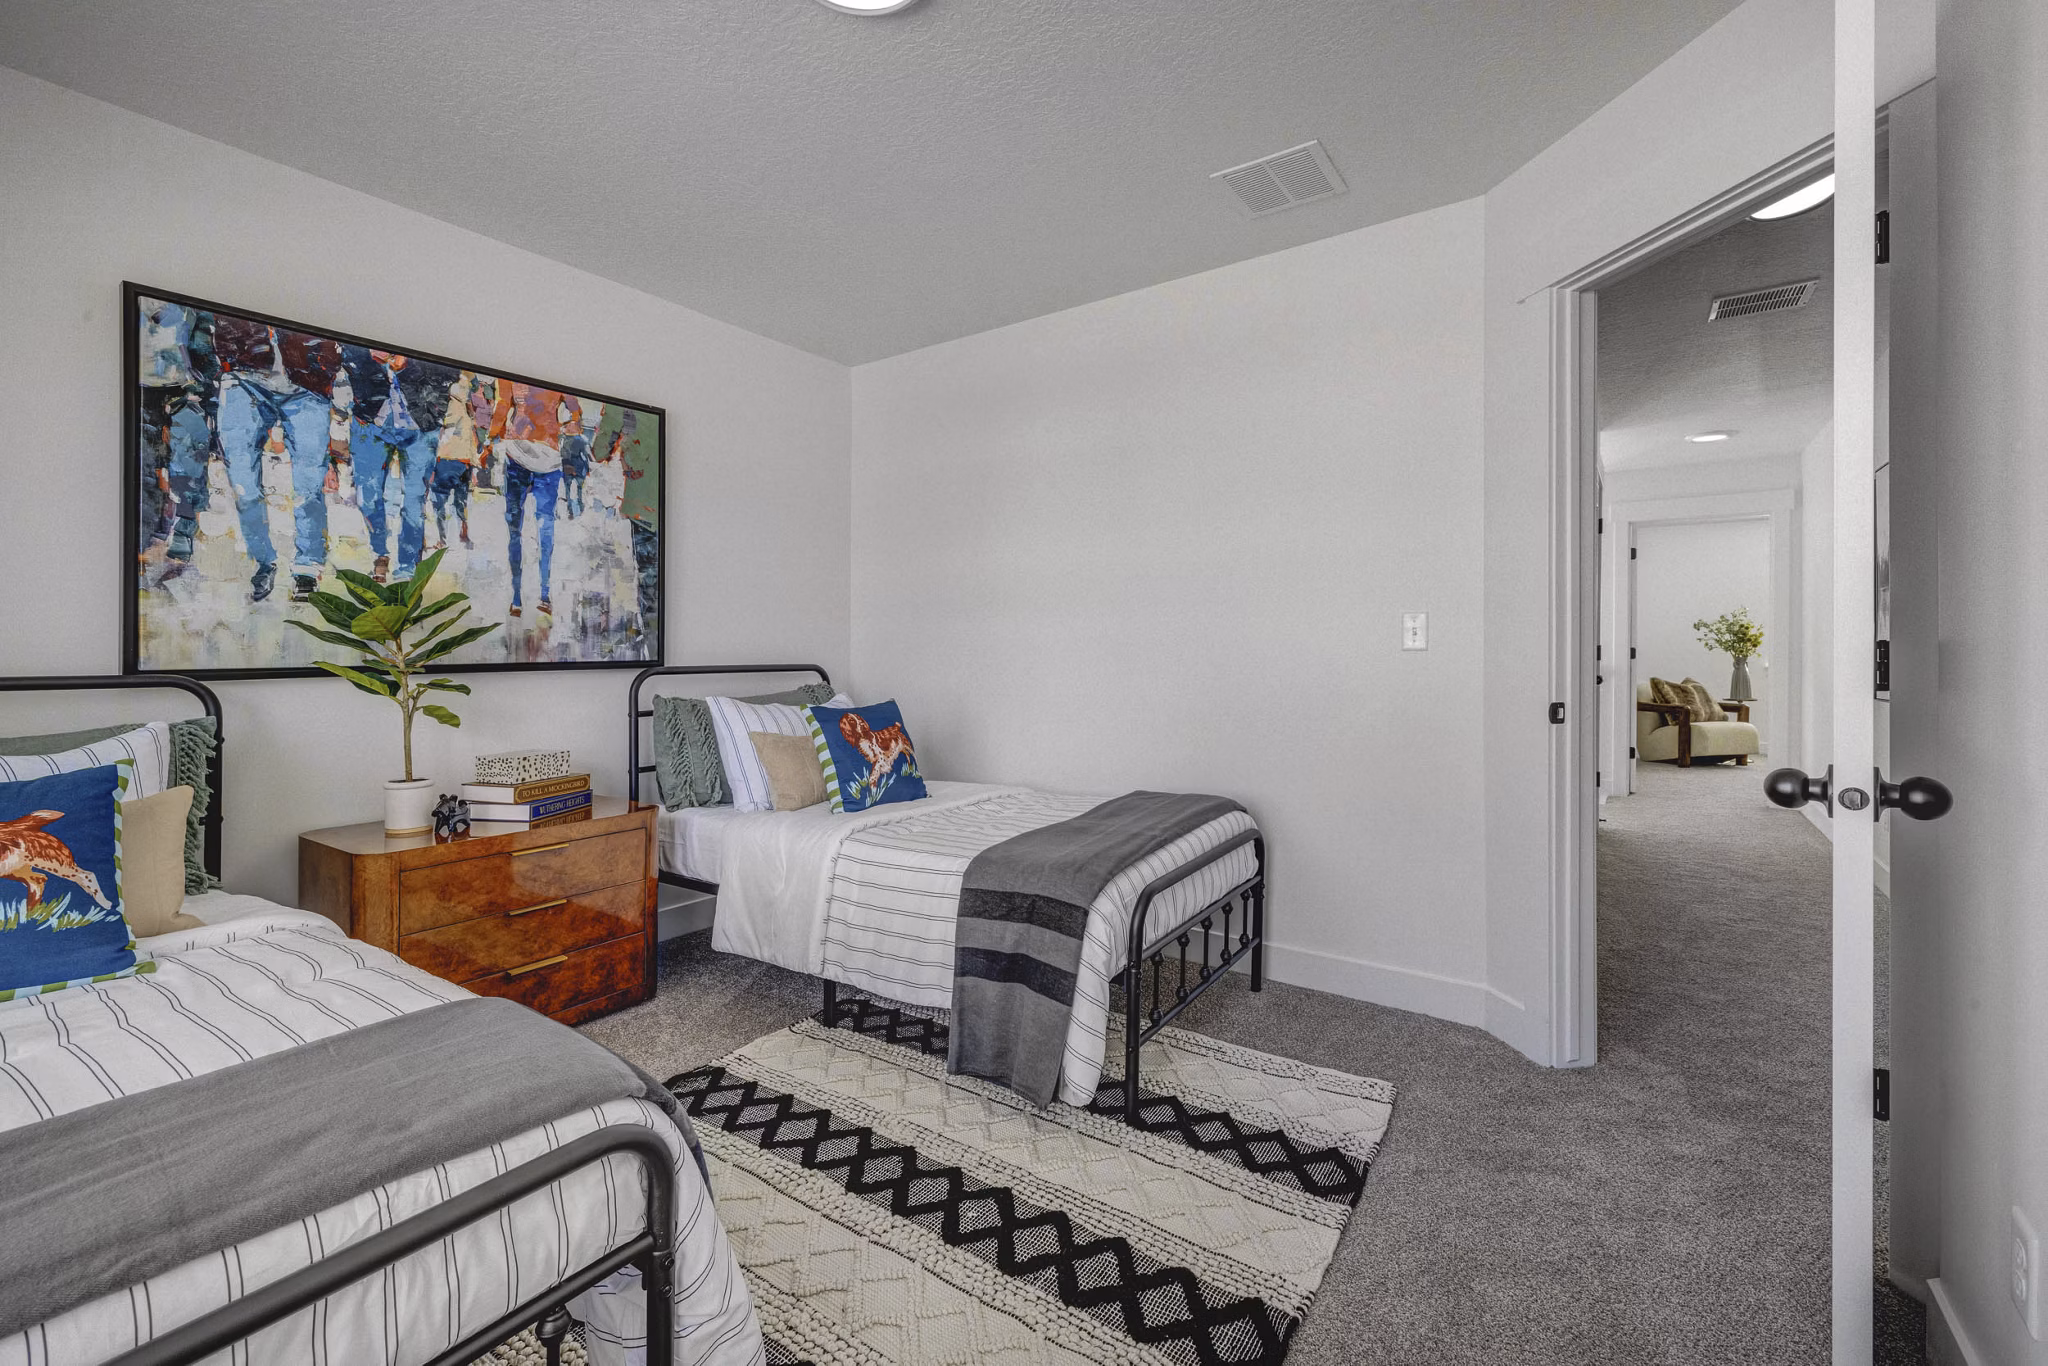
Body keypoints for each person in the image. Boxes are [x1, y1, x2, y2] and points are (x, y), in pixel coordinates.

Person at [212, 317, 342, 602]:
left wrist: (324, 371)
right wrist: (228, 361)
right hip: (243, 378)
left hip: (307, 384)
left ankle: (307, 566)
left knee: (309, 483)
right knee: (243, 481)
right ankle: (263, 561)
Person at [338, 346, 459, 584]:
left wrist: (409, 365)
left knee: (414, 499)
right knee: (367, 497)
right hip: (369, 419)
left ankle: (407, 566)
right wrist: (371, 360)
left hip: (421, 422)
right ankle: (379, 553)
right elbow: (345, 356)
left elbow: (449, 371)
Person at [136, 298, 218, 576]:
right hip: (142, 385)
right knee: (148, 465)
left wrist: (203, 383)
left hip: (184, 385)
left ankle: (183, 529)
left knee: (189, 462)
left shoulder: (194, 302)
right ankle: (148, 536)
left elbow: (204, 338)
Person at [489, 381, 581, 617]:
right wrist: (561, 427)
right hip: (548, 457)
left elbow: (501, 408)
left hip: (517, 454)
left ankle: (517, 598)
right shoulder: (559, 380)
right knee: (545, 525)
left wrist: (492, 437)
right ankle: (544, 594)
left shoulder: (507, 377)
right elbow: (576, 413)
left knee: (515, 528)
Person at [591, 404, 660, 642]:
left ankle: (653, 640)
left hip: (644, 505)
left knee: (650, 577)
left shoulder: (620, 407)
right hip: (667, 508)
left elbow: (599, 450)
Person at [430, 372, 482, 549]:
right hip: (464, 461)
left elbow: (442, 430)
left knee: (440, 501)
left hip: (446, 458)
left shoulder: (450, 407)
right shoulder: (469, 414)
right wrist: (474, 462)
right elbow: (471, 439)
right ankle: (463, 531)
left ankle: (442, 539)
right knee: (460, 500)